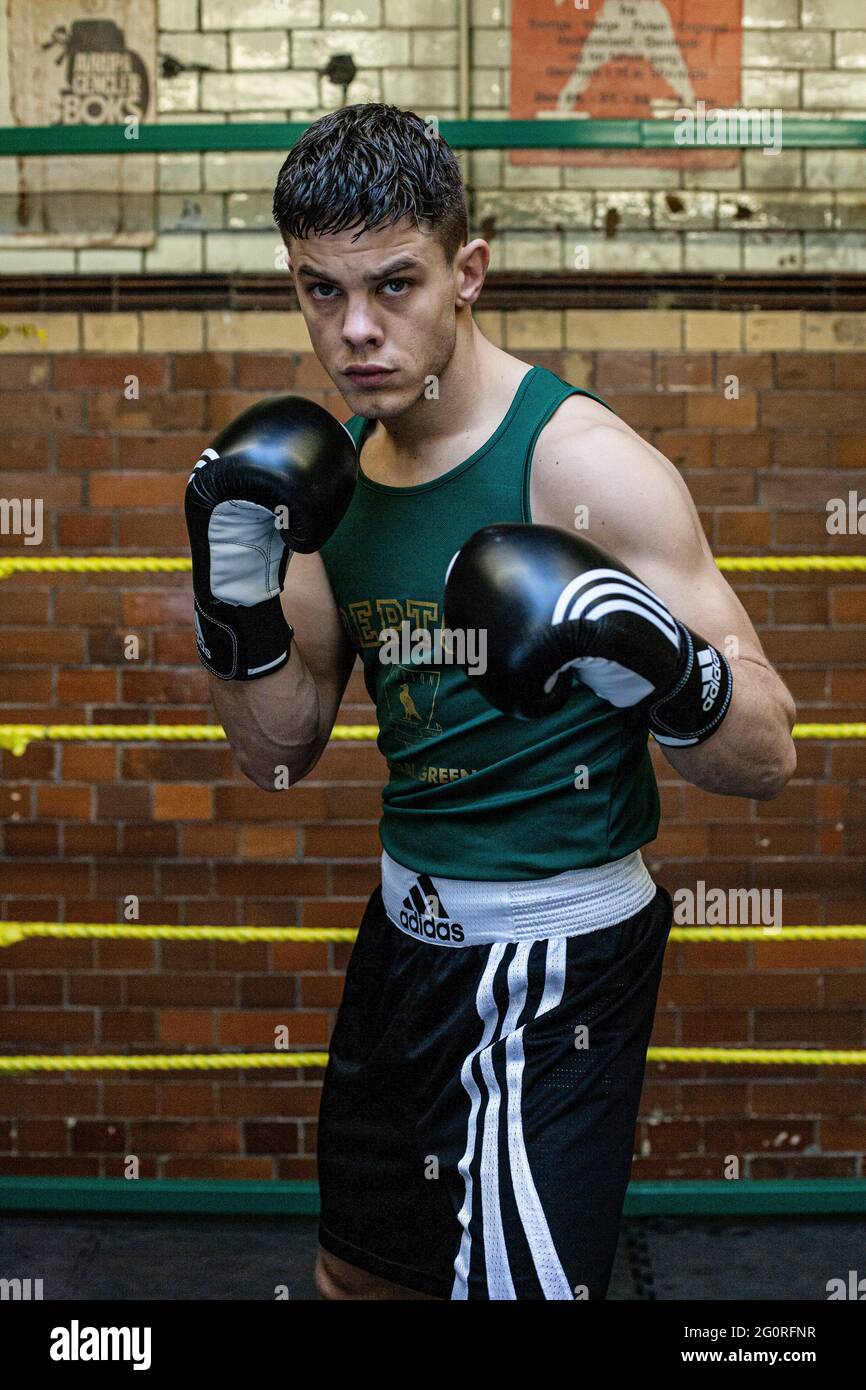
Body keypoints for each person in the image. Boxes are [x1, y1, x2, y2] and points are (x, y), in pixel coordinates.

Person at [185, 103, 796, 1301]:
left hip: (554, 956)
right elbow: (284, 746)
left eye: (393, 283)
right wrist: (236, 608)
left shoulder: (580, 464)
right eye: (320, 291)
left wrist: (661, 658)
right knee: (359, 1279)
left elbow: (765, 751)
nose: (355, 329)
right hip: (402, 933)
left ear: (467, 271)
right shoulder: (323, 480)